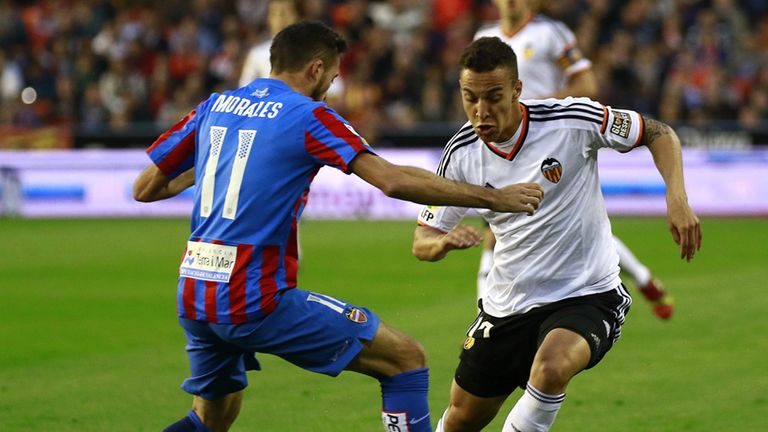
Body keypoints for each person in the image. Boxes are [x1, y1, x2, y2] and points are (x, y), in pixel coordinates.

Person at [133, 21, 544, 432]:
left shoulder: (215, 105)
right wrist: (493, 197)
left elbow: (145, 188)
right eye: (330, 77)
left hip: (195, 289)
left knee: (212, 416)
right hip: (251, 295)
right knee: (405, 360)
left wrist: (207, 167)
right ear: (315, 69)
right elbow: (392, 180)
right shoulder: (309, 115)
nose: (330, 87)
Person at [412, 37, 701, 432]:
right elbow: (421, 241)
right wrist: (443, 241)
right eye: (469, 98)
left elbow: (657, 131)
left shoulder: (570, 120)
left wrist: (677, 198)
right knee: (461, 420)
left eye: (493, 96)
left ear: (517, 90)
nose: (481, 112)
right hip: (507, 307)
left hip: (587, 293)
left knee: (551, 368)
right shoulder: (460, 153)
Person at [473, 0, 673, 319]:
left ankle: (485, 317)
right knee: (503, 229)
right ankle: (645, 279)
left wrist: (535, 107)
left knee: (513, 230)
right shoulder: (484, 37)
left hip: (548, 143)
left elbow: (586, 84)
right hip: (502, 145)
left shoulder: (551, 33)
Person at [239, 0, 299, 86]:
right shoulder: (257, 54)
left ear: (296, 16)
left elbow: (323, 91)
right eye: (276, 13)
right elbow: (244, 89)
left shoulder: (310, 53)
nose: (281, 18)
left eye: (287, 12)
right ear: (268, 18)